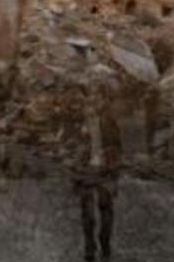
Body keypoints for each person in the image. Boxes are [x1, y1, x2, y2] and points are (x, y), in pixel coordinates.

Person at [72, 97, 122, 262]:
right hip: (84, 172)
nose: (88, 109)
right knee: (87, 213)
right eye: (86, 105)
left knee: (105, 208)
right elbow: (70, 147)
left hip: (105, 171)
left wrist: (113, 167)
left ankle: (104, 241)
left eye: (92, 105)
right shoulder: (78, 125)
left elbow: (117, 148)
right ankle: (89, 246)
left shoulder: (109, 124)